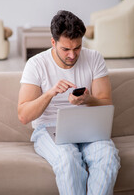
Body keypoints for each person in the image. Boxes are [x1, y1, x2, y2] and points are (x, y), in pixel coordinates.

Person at [18, 10, 120, 195]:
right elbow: (24, 115)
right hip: (49, 128)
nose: (72, 55)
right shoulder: (36, 64)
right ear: (53, 42)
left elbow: (107, 103)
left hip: (89, 126)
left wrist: (88, 99)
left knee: (107, 157)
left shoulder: (94, 58)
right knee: (67, 159)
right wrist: (50, 93)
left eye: (77, 48)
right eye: (66, 49)